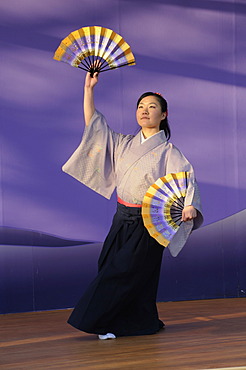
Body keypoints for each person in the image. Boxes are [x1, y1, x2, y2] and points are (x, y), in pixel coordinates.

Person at [62, 71, 203, 339]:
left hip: (149, 222)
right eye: (141, 106)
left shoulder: (168, 152)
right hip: (121, 217)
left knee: (124, 272)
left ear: (164, 115)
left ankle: (98, 322)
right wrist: (88, 89)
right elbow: (94, 125)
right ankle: (140, 322)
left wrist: (188, 205)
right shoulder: (123, 143)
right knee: (114, 267)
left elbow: (187, 180)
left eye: (152, 107)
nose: (145, 111)